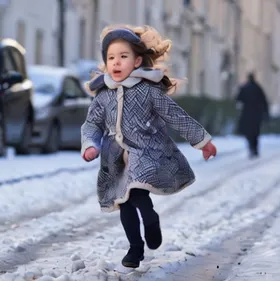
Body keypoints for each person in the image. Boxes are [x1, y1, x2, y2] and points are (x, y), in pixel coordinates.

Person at [80, 25, 217, 268]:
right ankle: (135, 248)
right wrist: (90, 144)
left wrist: (202, 141)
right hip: (115, 156)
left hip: (147, 150)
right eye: (111, 58)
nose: (116, 63)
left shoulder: (148, 90)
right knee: (124, 200)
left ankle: (151, 220)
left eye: (123, 57)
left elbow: (175, 115)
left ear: (137, 61)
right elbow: (92, 123)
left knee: (138, 191)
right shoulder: (103, 94)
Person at [236, 72, 269, 158]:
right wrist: (266, 113)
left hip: (247, 114)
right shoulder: (258, 88)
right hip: (257, 114)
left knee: (249, 133)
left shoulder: (244, 88)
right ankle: (255, 149)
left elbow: (238, 99)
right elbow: (264, 101)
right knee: (256, 132)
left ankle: (251, 148)